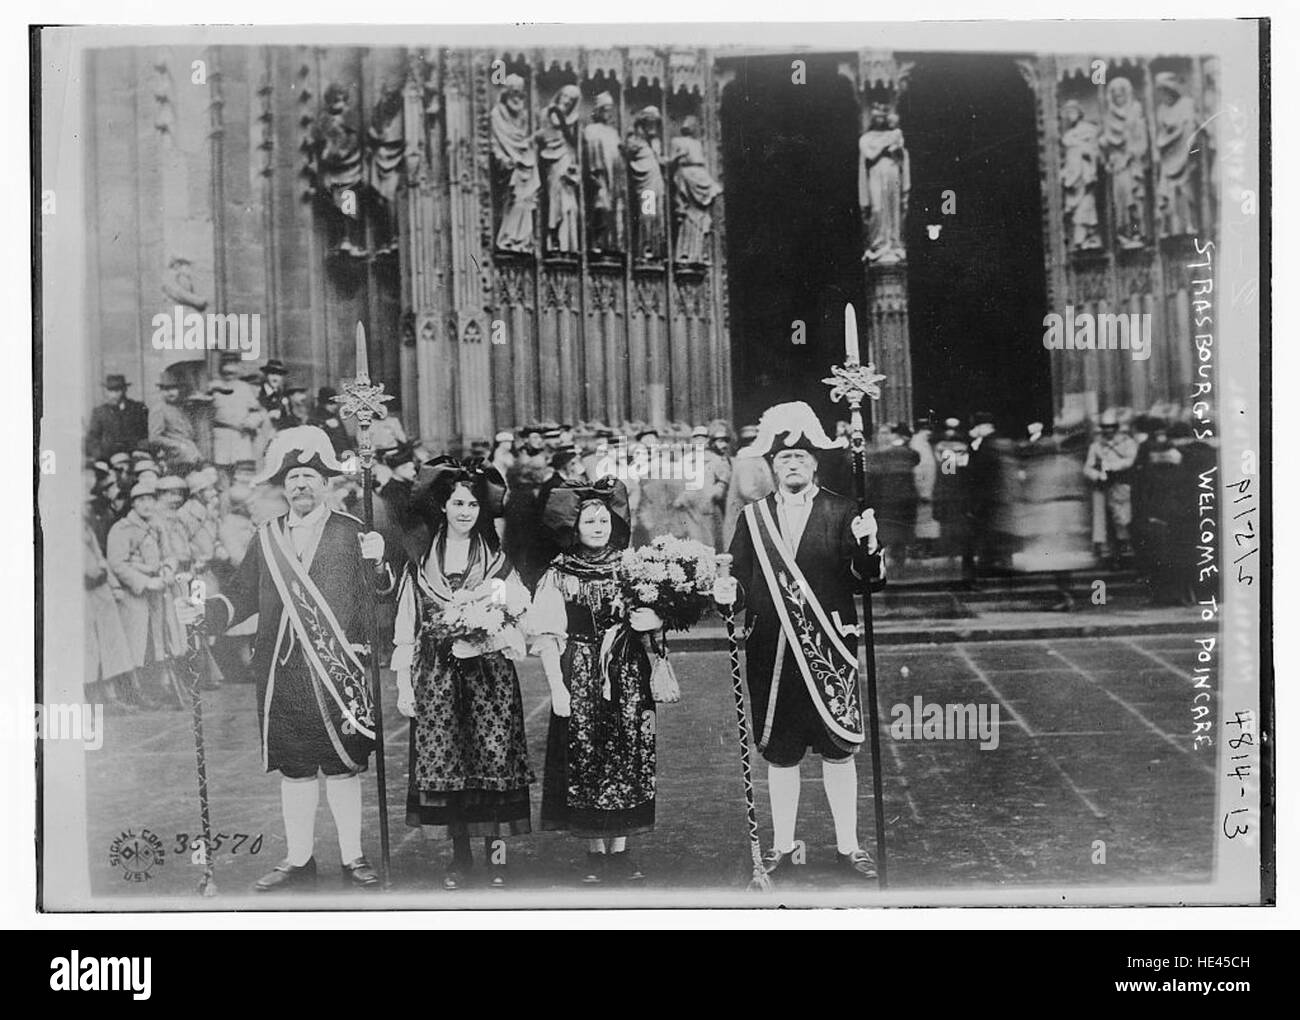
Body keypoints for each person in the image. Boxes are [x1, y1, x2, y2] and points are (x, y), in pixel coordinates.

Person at [176, 426, 396, 892]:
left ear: (325, 484)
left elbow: (380, 595)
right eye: (293, 477)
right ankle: (299, 859)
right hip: (283, 670)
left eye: (309, 477)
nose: (300, 485)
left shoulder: (354, 532)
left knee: (342, 765)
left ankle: (353, 857)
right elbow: (239, 596)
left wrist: (379, 563)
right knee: (296, 768)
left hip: (338, 669)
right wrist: (205, 612)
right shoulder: (267, 536)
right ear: (284, 486)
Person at [714, 401, 884, 880]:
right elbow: (741, 581)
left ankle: (849, 847)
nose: (792, 464)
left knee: (838, 748)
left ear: (814, 464)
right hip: (772, 648)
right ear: (771, 466)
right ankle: (783, 845)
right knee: (781, 751)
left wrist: (869, 546)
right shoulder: (754, 517)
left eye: (801, 458)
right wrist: (728, 593)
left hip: (829, 643)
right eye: (783, 459)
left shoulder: (845, 510)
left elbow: (864, 580)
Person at [390, 458, 533, 890]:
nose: (465, 511)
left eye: (472, 503)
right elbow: (406, 625)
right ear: (443, 507)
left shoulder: (495, 560)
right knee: (451, 767)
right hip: (437, 674)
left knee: (492, 759)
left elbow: (519, 605)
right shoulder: (421, 564)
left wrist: (489, 621)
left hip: (488, 675)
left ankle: (497, 854)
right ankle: (460, 856)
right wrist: (402, 683)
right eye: (457, 503)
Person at [527, 478, 660, 884]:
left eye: (604, 519)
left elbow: (654, 616)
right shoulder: (559, 572)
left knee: (626, 751)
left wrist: (655, 619)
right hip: (580, 670)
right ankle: (593, 851)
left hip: (627, 670)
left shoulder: (632, 566)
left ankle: (619, 850)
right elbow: (548, 635)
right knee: (586, 754)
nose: (599, 526)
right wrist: (557, 688)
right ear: (575, 526)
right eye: (590, 520)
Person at [106, 478, 185, 709]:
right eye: (141, 500)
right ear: (133, 504)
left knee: (158, 642)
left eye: (150, 499)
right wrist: (144, 581)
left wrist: (169, 570)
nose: (147, 504)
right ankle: (135, 691)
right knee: (136, 644)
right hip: (135, 597)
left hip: (158, 592)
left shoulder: (157, 525)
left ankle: (160, 689)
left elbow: (169, 554)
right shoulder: (122, 529)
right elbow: (117, 563)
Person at [83, 463, 137, 712]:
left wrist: (107, 578)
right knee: (88, 647)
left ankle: (111, 696)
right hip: (81, 590)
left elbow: (98, 553)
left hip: (100, 586)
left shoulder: (87, 525)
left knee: (109, 643)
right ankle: (92, 699)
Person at [1084, 409, 1140, 565]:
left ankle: (1126, 552)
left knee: (1123, 519)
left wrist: (1111, 466)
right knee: (1104, 521)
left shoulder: (1127, 442)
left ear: (1116, 427)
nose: (1108, 430)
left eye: (1111, 427)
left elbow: (1130, 461)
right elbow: (1087, 468)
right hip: (1103, 487)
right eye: (1105, 427)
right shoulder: (1096, 446)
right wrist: (1097, 475)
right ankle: (1110, 555)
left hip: (1120, 484)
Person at [722, 423, 775, 549]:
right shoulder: (746, 459)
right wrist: (767, 504)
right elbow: (747, 491)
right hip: (746, 513)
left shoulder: (755, 458)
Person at [209, 355, 263, 476]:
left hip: (240, 436)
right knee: (221, 472)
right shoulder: (213, 387)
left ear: (238, 368)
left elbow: (257, 412)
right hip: (221, 436)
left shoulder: (244, 388)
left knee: (241, 474)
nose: (229, 370)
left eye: (233, 365)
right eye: (226, 365)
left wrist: (250, 422)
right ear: (221, 368)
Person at [86, 374, 149, 462]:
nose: (113, 395)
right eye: (110, 391)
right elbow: (92, 440)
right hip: (107, 458)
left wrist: (139, 450)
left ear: (124, 390)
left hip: (134, 456)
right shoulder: (99, 412)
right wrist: (101, 456)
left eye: (117, 390)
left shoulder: (137, 409)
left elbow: (145, 435)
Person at [149, 378, 202, 468]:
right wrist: (178, 446)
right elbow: (154, 438)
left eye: (173, 389)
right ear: (161, 391)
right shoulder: (159, 409)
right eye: (166, 389)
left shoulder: (180, 407)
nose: (170, 393)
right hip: (174, 457)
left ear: (179, 390)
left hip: (190, 454)